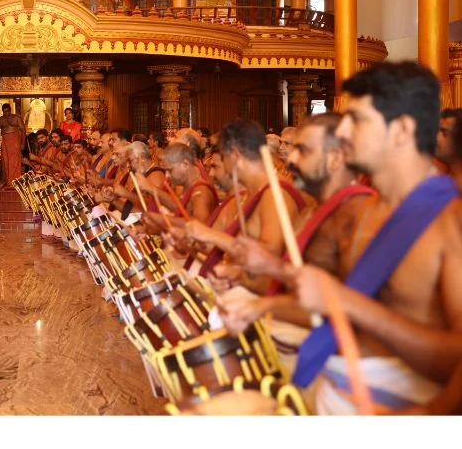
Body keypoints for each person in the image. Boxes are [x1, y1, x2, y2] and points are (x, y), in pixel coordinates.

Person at [286, 62, 462, 415]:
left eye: (356, 119)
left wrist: (431, 414)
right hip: (330, 387)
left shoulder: (450, 219)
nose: (343, 131)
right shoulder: (361, 210)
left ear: (402, 130)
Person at [219, 113, 376, 377]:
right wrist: (241, 277)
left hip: (324, 369)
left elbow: (352, 315)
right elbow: (295, 286)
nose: (290, 159)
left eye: (303, 150)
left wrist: (263, 306)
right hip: (279, 344)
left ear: (335, 158)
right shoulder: (314, 209)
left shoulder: (356, 215)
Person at [181, 118, 306, 293]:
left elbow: (269, 256)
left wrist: (212, 236)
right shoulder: (247, 194)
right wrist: (188, 240)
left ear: (235, 155)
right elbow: (218, 248)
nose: (222, 168)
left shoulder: (277, 193)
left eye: (223, 158)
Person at [0, 103, 25, 188]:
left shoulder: (16, 118)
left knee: (15, 161)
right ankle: (8, 182)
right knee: (5, 161)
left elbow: (23, 130)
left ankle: (16, 181)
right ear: (2, 111)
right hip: (5, 141)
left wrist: (23, 143)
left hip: (15, 141)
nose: (6, 113)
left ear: (10, 110)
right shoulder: (0, 120)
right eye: (4, 112)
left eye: (7, 111)